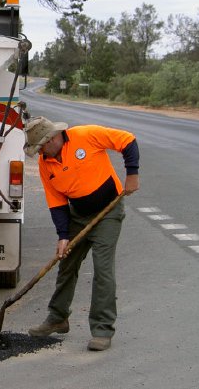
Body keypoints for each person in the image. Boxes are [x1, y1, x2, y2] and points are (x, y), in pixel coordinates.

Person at [23, 116, 140, 352]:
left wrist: (132, 175)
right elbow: (56, 203)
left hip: (108, 212)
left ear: (54, 137)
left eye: (43, 146)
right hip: (78, 216)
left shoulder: (86, 135)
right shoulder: (46, 164)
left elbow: (127, 141)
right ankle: (57, 318)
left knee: (103, 270)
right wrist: (63, 235)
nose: (42, 153)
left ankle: (102, 329)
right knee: (66, 264)